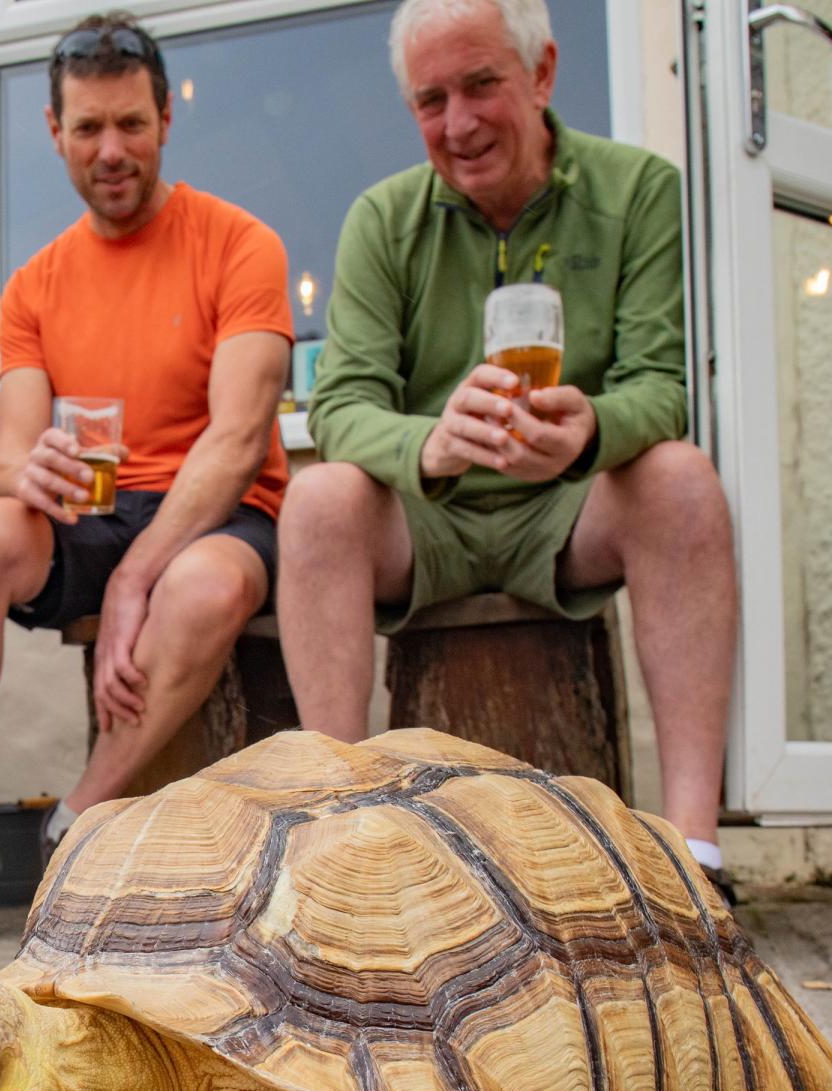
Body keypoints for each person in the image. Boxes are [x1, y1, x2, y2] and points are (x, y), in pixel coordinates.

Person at [279, 0, 737, 888]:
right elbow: (340, 403)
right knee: (321, 495)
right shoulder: (382, 217)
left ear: (543, 72)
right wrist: (433, 443)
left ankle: (694, 853)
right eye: (430, 98)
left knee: (681, 480)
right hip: (430, 519)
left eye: (481, 83)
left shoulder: (639, 189)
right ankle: (345, 838)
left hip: (574, 508)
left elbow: (665, 384)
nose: (458, 123)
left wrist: (591, 430)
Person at [0, 11, 294, 951]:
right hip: (98, 512)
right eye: (88, 129)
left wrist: (133, 581)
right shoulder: (34, 285)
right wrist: (28, 467)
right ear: (53, 132)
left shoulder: (240, 245)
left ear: (165, 120)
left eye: (130, 125)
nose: (111, 150)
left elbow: (236, 442)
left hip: (214, 509)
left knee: (208, 583)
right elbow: (4, 458)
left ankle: (78, 824)